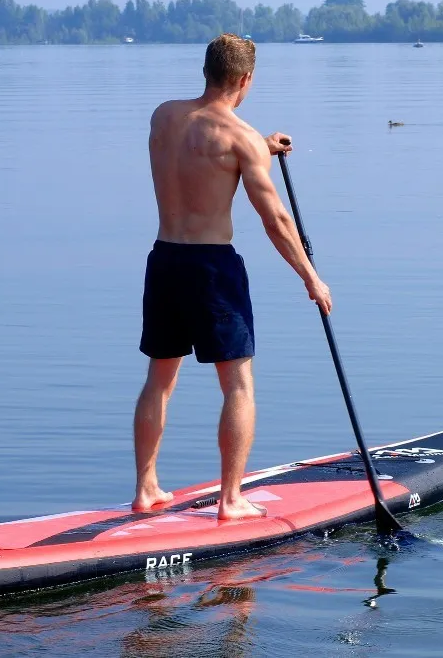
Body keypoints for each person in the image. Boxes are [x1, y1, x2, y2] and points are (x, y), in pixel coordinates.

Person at [132, 33, 333, 520]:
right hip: (211, 268)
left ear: (206, 71)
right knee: (238, 385)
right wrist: (311, 277)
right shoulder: (240, 138)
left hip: (164, 260)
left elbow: (199, 150)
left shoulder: (164, 115)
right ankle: (230, 500)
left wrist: (257, 149)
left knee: (160, 379)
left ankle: (146, 489)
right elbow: (276, 221)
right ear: (245, 79)